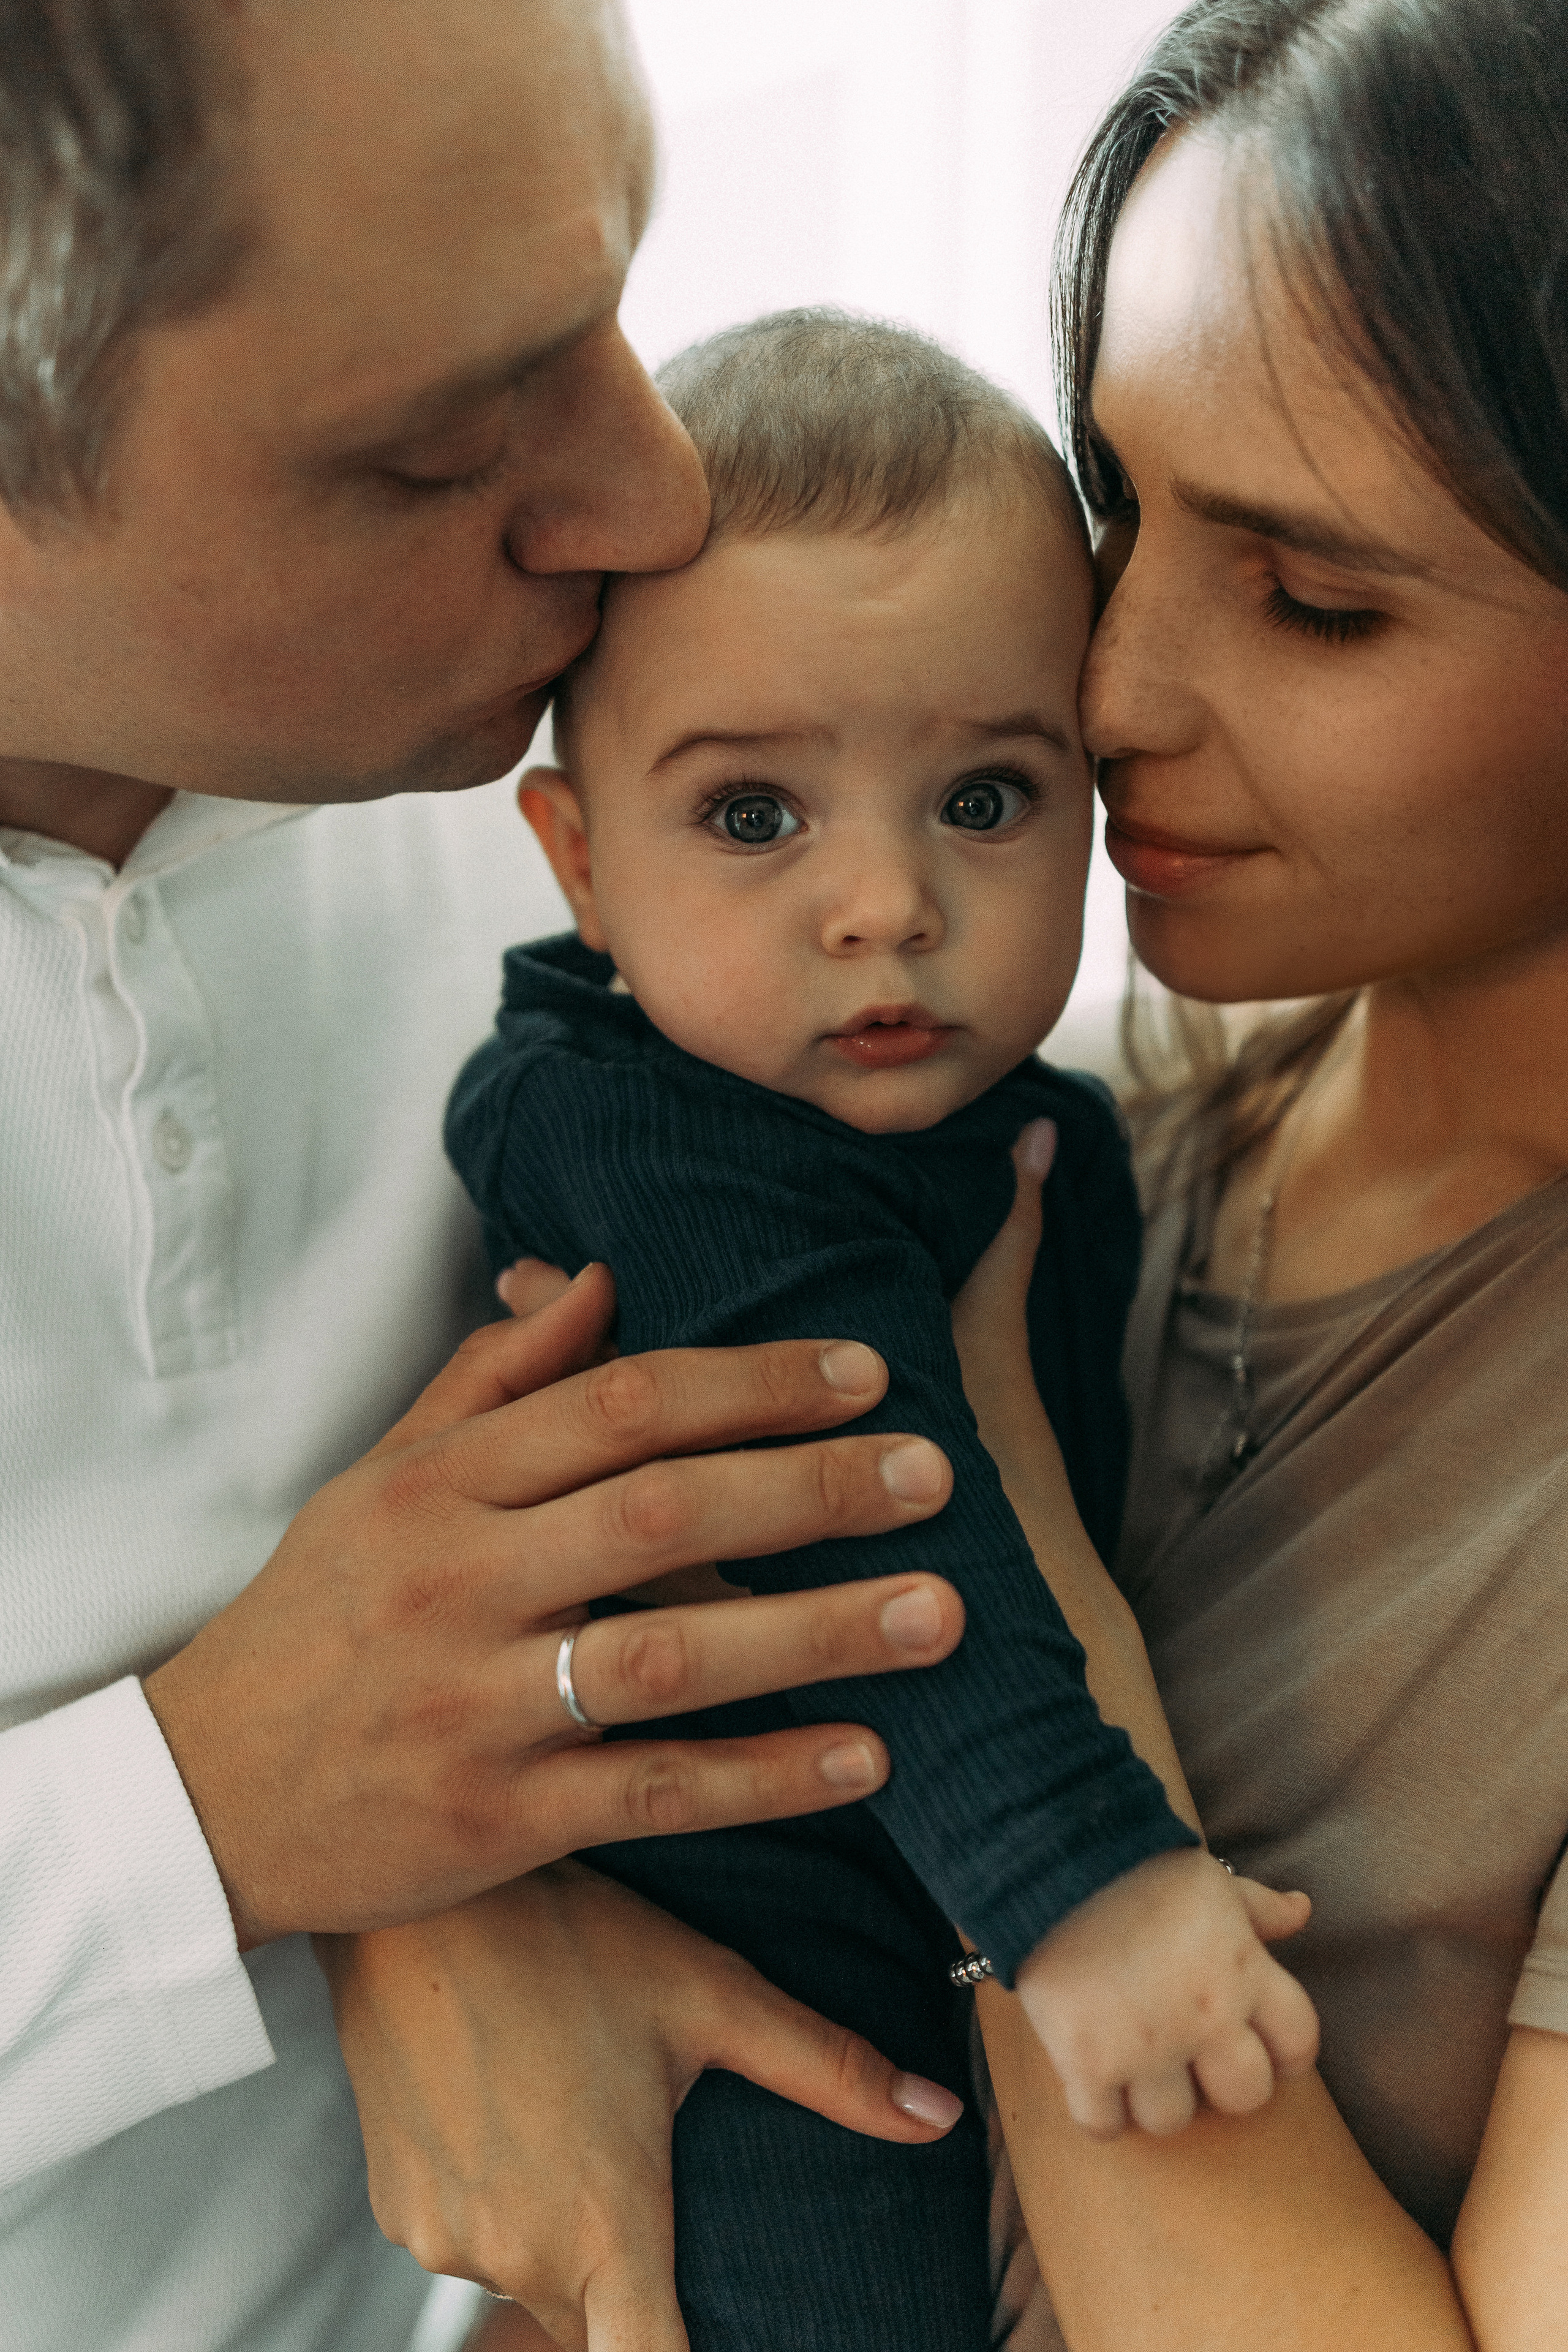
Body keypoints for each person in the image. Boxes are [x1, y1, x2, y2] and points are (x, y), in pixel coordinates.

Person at [380, 1, 1568, 2346]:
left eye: (1313, 596)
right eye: (1117, 514)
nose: (1106, 688)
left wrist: (1034, 1586)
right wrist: (439, 1913)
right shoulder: (1042, 1095)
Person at [0, 6, 995, 2348]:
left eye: (619, 300)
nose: (653, 498)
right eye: (450, 447)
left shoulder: (616, 743)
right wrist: (223, 1821)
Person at [444, 306, 1316, 2350]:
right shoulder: (637, 1124)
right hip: (735, 1984)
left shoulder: (1042, 1128)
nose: (885, 906)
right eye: (754, 817)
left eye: (989, 800)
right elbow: (864, 1510)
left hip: (937, 1954)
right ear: (581, 862)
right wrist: (1087, 1891)